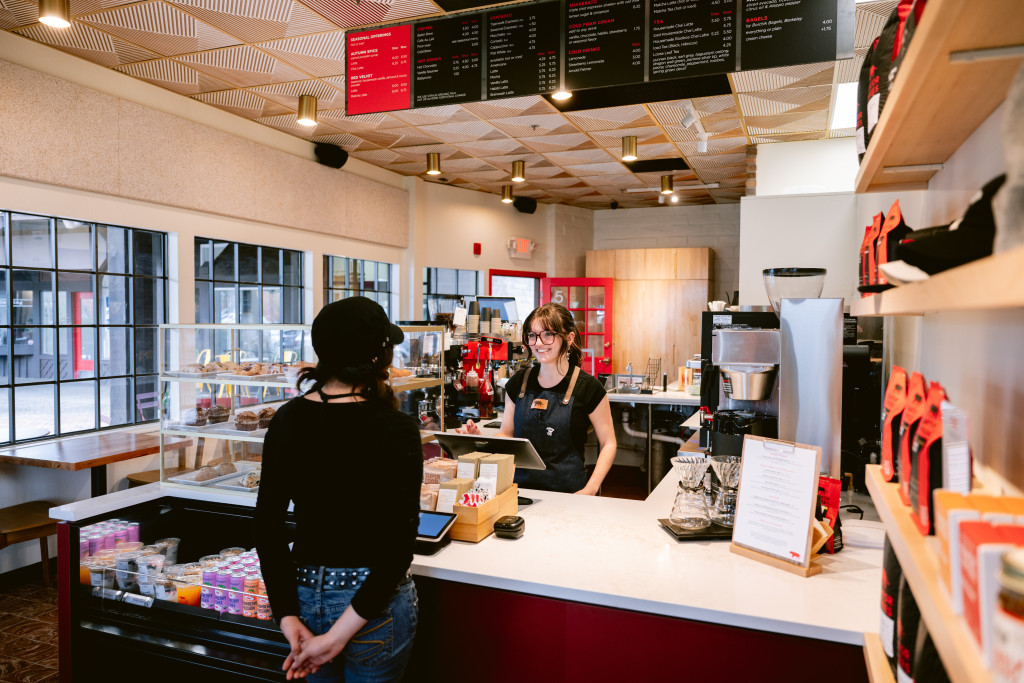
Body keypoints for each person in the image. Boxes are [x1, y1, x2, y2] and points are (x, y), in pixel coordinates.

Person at [254, 296, 423, 682]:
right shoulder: (395, 428)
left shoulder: (287, 419)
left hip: (304, 600)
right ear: (379, 357)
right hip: (373, 610)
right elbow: (399, 548)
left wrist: (287, 615)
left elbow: (267, 527)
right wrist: (338, 636)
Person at [459, 302, 616, 494]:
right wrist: (481, 440)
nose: (539, 343)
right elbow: (507, 434)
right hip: (521, 492)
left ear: (569, 338)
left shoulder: (588, 387)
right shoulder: (518, 383)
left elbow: (608, 443)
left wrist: (590, 489)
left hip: (570, 494)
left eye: (548, 334)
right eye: (532, 335)